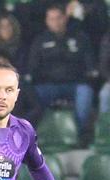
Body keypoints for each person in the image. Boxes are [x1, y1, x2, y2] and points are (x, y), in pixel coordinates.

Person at [27, 4, 96, 135]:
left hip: (75, 84)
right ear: (46, 21)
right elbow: (32, 67)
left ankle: (79, 135)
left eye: (58, 18)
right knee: (32, 95)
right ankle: (34, 136)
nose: (55, 22)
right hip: (48, 85)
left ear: (65, 18)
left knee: (86, 92)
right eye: (51, 19)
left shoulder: (80, 38)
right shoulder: (40, 40)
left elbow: (89, 63)